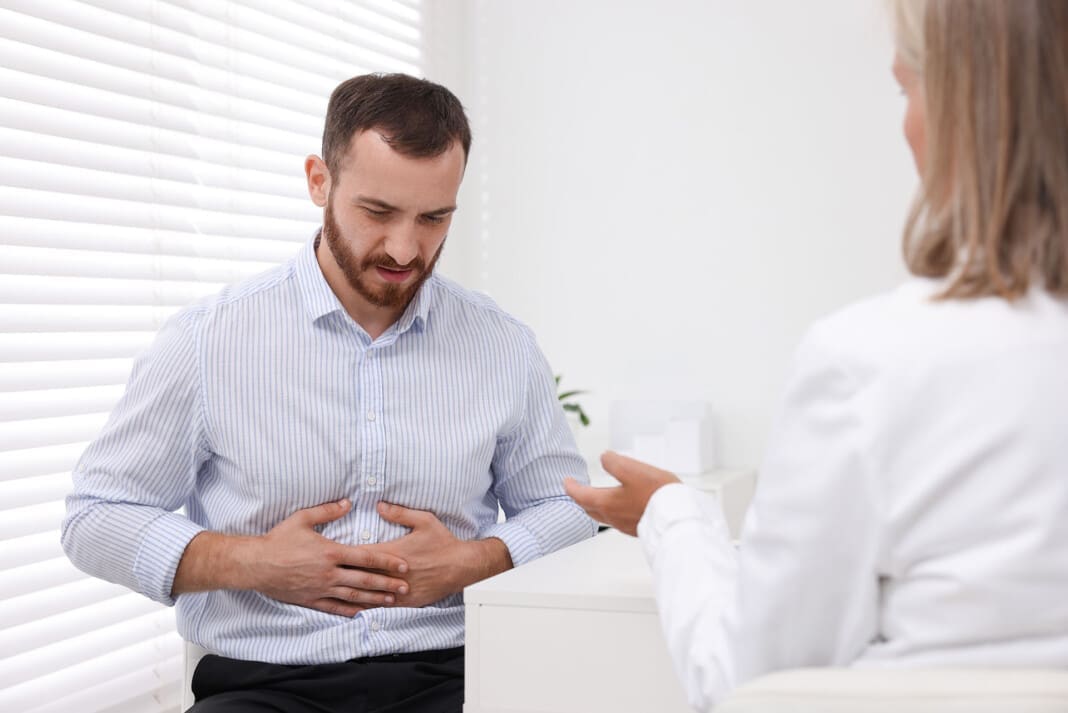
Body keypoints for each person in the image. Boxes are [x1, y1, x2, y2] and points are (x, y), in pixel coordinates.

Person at [565, 1, 1068, 710]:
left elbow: (747, 680)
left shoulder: (872, 362)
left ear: (968, 113)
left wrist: (673, 513)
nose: (907, 126)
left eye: (907, 88)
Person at [62, 73, 597, 713]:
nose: (405, 248)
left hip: (456, 678)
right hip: (264, 684)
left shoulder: (502, 345)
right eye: (378, 212)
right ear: (320, 180)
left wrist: (471, 562)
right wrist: (255, 563)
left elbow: (567, 510)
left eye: (433, 218)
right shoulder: (207, 341)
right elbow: (95, 517)